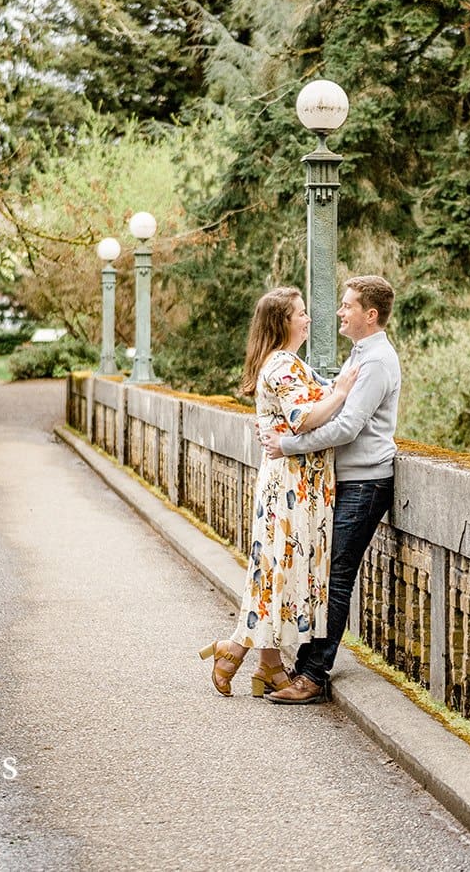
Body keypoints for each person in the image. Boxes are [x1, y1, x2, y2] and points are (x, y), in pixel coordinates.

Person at [199, 287, 360, 697]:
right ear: (283, 322)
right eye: (301, 313)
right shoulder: (282, 365)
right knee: (279, 571)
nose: (308, 319)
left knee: (276, 570)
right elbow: (304, 418)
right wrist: (341, 394)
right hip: (291, 482)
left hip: (294, 479)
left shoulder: (286, 363)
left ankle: (267, 665)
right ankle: (233, 649)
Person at [259, 275, 400, 706]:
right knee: (325, 574)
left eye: (347, 305)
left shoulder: (377, 360)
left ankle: (312, 675)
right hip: (349, 481)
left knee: (336, 578)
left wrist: (288, 445)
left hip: (366, 482)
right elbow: (325, 397)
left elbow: (346, 426)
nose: (339, 312)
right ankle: (306, 664)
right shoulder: (362, 353)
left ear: (369, 315)